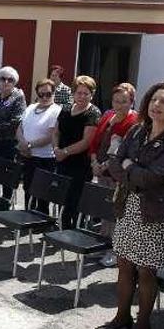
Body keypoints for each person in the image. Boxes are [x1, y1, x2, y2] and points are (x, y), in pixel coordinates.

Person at [94, 82, 164, 329]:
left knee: (147, 271)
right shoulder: (139, 130)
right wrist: (130, 167)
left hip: (157, 213)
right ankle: (121, 318)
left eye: (163, 102)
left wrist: (130, 166)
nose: (156, 105)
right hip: (129, 206)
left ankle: (143, 324)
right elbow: (114, 162)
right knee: (125, 264)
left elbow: (151, 179)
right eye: (153, 100)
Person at [89, 83, 139, 268]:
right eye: (116, 101)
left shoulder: (135, 122)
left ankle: (114, 251)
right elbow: (95, 142)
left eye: (124, 101)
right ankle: (101, 246)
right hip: (101, 171)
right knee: (104, 211)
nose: (119, 105)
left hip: (118, 174)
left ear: (132, 101)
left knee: (116, 213)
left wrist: (104, 165)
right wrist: (94, 162)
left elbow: (125, 152)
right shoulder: (108, 115)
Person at [54, 75, 101, 229]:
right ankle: (61, 227)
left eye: (86, 93)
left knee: (74, 200)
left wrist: (65, 151)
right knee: (62, 196)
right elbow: (56, 132)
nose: (81, 96)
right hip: (62, 160)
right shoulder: (66, 109)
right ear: (73, 93)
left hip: (80, 165)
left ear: (91, 94)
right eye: (78, 92)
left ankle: (70, 231)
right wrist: (56, 149)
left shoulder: (93, 113)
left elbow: (86, 142)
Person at [17, 79, 61, 213]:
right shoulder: (30, 108)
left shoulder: (57, 111)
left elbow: (51, 136)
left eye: (48, 94)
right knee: (28, 188)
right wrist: (23, 144)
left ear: (54, 93)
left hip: (45, 158)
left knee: (42, 191)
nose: (45, 97)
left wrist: (29, 145)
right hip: (27, 156)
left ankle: (41, 220)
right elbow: (19, 128)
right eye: (41, 94)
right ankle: (27, 216)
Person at [0, 66, 26, 199]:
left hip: (8, 144)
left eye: (10, 80)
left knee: (6, 177)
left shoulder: (18, 97)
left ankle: (5, 205)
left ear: (15, 82)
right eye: (3, 79)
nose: (6, 82)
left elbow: (16, 121)